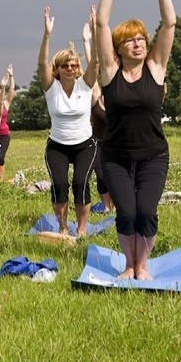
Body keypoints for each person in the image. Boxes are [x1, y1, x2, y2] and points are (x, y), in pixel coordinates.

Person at [94, 0, 176, 280]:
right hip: (115, 155)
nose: (138, 43)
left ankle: (142, 265)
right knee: (126, 212)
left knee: (146, 212)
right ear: (119, 47)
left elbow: (169, 23)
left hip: (153, 155)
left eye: (141, 38)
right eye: (130, 39)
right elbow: (101, 24)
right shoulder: (110, 71)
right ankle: (129, 264)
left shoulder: (156, 69)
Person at [39, 5, 99, 237]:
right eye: (65, 65)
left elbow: (95, 63)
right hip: (58, 146)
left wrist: (93, 33)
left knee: (80, 183)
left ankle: (82, 229)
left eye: (74, 65)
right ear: (58, 68)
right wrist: (47, 35)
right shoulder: (50, 88)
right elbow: (41, 63)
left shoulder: (85, 85)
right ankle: (63, 228)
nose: (71, 68)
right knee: (60, 186)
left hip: (85, 144)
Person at [82, 14, 112, 213]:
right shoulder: (96, 96)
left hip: (118, 142)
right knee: (101, 175)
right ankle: (107, 207)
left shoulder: (118, 96)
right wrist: (88, 40)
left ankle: (119, 204)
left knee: (117, 175)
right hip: (98, 142)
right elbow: (93, 68)